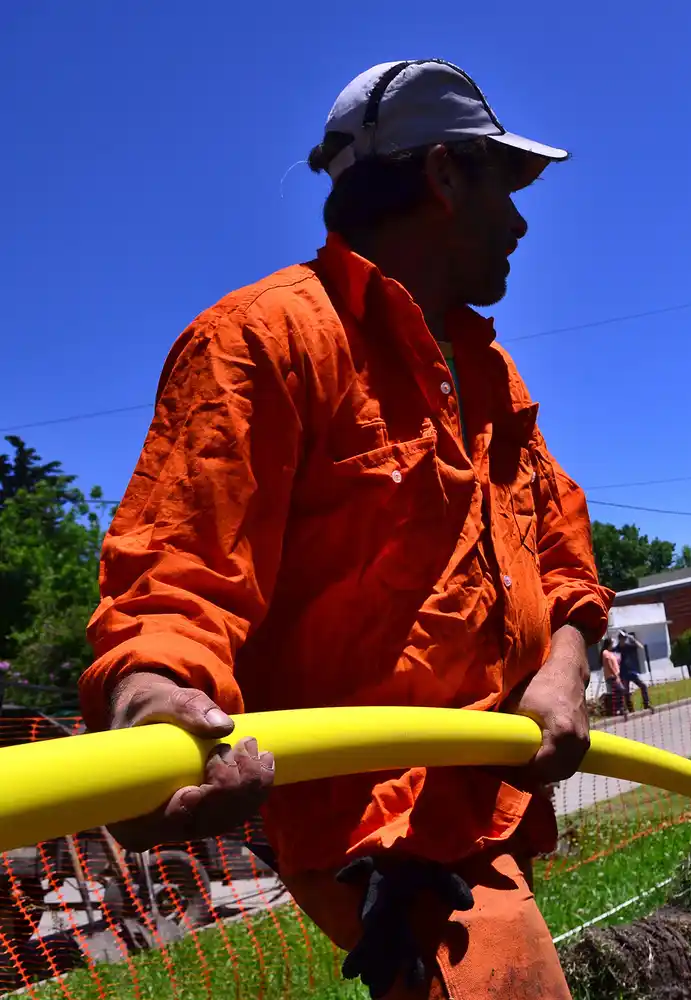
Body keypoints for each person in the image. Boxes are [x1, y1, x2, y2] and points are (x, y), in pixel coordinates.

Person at [77, 60, 610, 999]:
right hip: (393, 839)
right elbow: (175, 576)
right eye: (505, 186)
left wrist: (561, 669)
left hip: (494, 803)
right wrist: (153, 711)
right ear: (445, 177)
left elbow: (562, 552)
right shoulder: (262, 344)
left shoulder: (490, 376)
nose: (522, 223)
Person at [615, 630, 653, 712]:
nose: (624, 640)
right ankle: (631, 709)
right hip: (623, 673)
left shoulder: (628, 646)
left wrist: (633, 639)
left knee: (643, 686)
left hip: (631, 672)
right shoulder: (616, 649)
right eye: (622, 638)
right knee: (626, 692)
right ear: (619, 639)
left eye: (625, 638)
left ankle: (646, 704)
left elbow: (641, 647)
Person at [600, 637, 627, 718]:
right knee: (620, 690)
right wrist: (616, 676)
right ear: (609, 644)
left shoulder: (610, 652)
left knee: (618, 692)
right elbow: (609, 665)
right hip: (611, 676)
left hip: (615, 675)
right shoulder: (605, 652)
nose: (613, 645)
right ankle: (619, 709)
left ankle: (619, 709)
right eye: (612, 643)